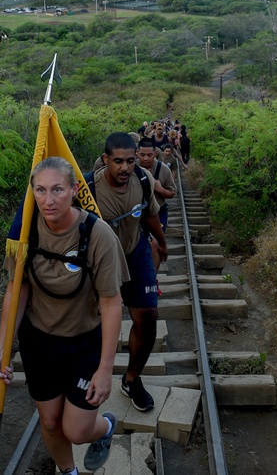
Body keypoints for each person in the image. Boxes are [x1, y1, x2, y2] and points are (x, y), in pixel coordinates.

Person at [0, 157, 128, 475]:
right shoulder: (26, 231)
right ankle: (69, 472)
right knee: (51, 423)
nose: (48, 200)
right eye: (40, 190)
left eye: (57, 189)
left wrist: (106, 370)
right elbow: (17, 290)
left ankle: (105, 427)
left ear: (74, 190)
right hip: (39, 342)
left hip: (83, 344)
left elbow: (111, 304)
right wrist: (3, 347)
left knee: (77, 431)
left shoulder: (98, 236)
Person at [91, 132, 167, 412]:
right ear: (105, 160)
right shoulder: (89, 188)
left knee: (148, 317)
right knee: (90, 324)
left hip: (135, 252)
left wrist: (161, 241)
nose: (125, 168)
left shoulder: (143, 180)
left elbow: (149, 213)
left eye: (130, 161)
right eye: (118, 161)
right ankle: (90, 376)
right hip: (100, 261)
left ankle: (132, 379)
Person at [136, 137, 176, 267]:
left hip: (158, 211)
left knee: (156, 243)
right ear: (137, 153)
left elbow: (172, 193)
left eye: (149, 155)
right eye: (142, 155)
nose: (146, 159)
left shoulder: (163, 169)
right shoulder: (131, 168)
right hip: (137, 212)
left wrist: (160, 189)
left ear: (155, 153)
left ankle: (153, 279)